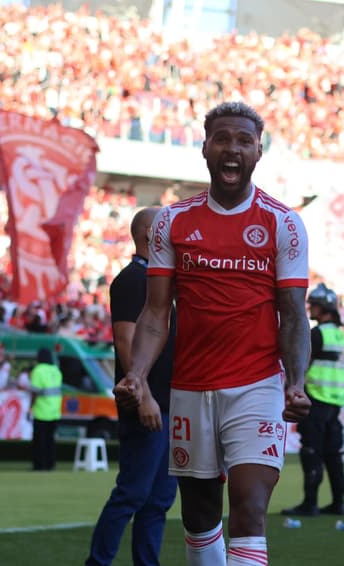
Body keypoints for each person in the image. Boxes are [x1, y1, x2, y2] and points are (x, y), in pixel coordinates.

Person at [114, 101, 312, 566]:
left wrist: (295, 381)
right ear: (205, 147)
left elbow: (294, 314)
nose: (232, 149)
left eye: (244, 141)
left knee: (250, 505)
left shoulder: (283, 223)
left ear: (258, 152)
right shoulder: (172, 222)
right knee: (201, 516)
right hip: (191, 387)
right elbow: (155, 313)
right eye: (222, 138)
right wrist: (138, 373)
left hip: (257, 385)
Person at [87, 207, 178, 566]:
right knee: (133, 493)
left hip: (167, 404)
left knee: (158, 499)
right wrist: (144, 397)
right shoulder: (132, 280)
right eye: (167, 230)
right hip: (148, 402)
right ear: (149, 235)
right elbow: (125, 342)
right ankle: (98, 562)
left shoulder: (157, 281)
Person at [283, 283, 344, 516]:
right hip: (335, 403)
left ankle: (310, 503)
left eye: (315, 305)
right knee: (334, 453)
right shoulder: (339, 336)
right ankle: (338, 501)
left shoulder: (316, 334)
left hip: (317, 400)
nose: (311, 308)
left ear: (325, 309)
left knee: (311, 450)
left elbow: (302, 363)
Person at [30, 347, 62, 471]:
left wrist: (31, 406)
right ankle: (51, 464)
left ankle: (39, 466)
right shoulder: (56, 370)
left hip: (41, 411)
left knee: (39, 441)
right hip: (54, 411)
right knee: (50, 440)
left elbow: (35, 392)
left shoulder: (38, 370)